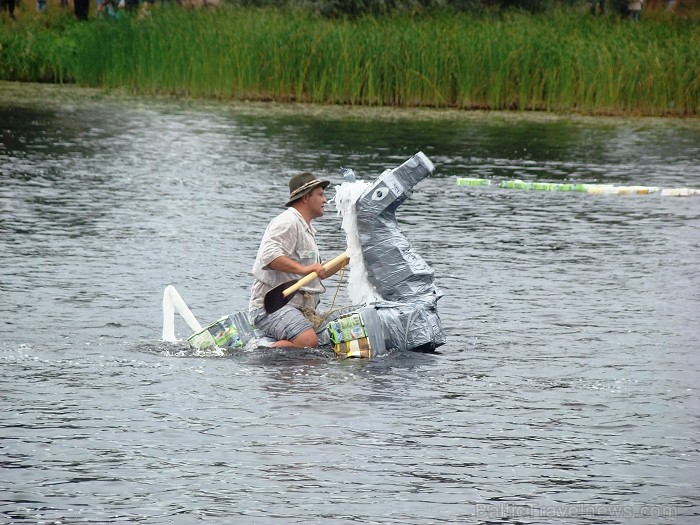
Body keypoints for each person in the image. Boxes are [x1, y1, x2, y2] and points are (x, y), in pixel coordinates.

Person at [249, 172, 347, 348]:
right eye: (320, 194)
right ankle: (258, 350)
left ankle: (278, 348)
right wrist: (304, 270)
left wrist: (351, 256)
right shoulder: (288, 222)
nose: (325, 200)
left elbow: (319, 272)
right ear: (305, 197)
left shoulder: (307, 228)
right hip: (271, 308)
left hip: (300, 309)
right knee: (308, 342)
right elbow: (270, 256)